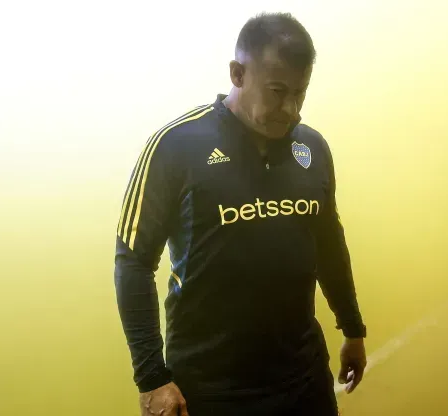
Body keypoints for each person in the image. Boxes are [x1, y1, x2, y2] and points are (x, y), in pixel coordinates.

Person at [114, 11, 367, 416]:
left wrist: (352, 328)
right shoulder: (176, 146)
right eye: (277, 91)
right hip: (211, 390)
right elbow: (133, 262)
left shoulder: (312, 149)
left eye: (300, 93)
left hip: (303, 381)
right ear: (237, 74)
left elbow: (328, 245)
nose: (292, 110)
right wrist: (152, 379)